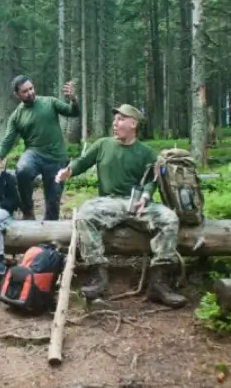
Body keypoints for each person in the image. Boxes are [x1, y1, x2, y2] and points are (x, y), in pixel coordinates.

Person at [55, 104, 187, 308]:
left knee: (169, 219)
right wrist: (68, 171)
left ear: (133, 124)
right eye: (115, 119)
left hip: (137, 203)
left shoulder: (146, 152)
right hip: (109, 202)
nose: (115, 124)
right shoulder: (102, 144)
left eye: (120, 119)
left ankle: (159, 283)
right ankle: (98, 277)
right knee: (84, 216)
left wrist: (145, 196)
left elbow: (152, 180)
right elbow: (82, 162)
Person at [0, 75, 79, 221]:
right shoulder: (16, 116)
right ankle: (28, 210)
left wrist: (73, 99)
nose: (30, 92)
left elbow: (73, 112)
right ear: (17, 95)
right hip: (34, 153)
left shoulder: (49, 102)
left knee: (53, 202)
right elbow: (7, 142)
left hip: (56, 157)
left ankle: (49, 236)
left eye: (31, 88)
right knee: (23, 170)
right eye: (25, 91)